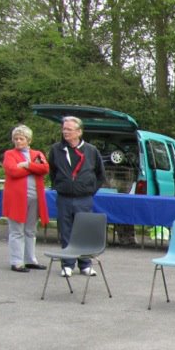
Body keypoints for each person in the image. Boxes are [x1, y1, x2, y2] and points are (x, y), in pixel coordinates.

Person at [48, 116, 106, 277]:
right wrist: (60, 186)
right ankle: (67, 264)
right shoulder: (56, 149)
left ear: (79, 132)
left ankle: (85, 264)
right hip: (64, 197)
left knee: (84, 231)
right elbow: (52, 171)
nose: (65, 132)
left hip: (84, 198)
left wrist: (88, 190)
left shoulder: (91, 150)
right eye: (64, 129)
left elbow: (100, 174)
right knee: (65, 230)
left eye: (69, 129)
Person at [2, 125, 50, 272]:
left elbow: (45, 169)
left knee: (30, 230)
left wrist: (27, 164)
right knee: (17, 230)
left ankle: (30, 259)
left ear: (28, 140)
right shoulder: (10, 154)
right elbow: (12, 171)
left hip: (35, 198)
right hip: (17, 198)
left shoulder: (37, 154)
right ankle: (16, 261)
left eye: (21, 138)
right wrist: (32, 168)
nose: (18, 141)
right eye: (16, 139)